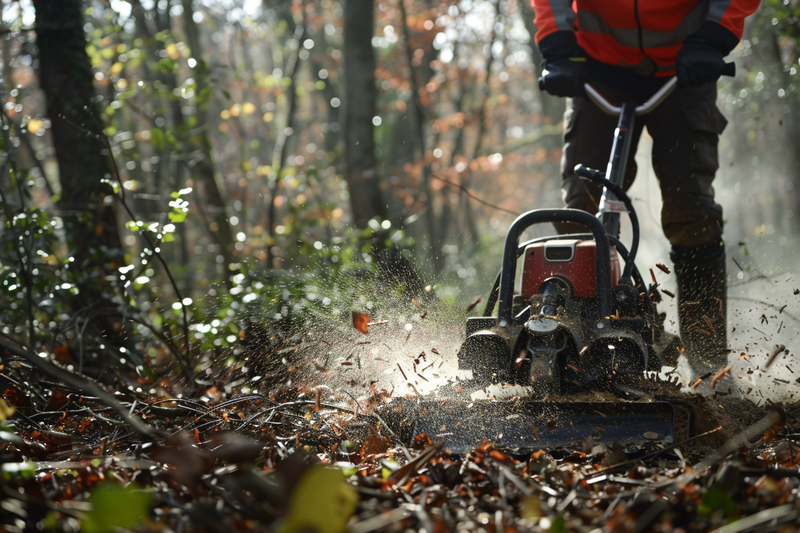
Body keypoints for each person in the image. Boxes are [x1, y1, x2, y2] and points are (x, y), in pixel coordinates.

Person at [532, 1, 760, 376]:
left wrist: (713, 38)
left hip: (685, 67)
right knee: (581, 210)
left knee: (692, 212)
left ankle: (709, 369)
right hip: (596, 68)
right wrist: (557, 45)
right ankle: (584, 353)